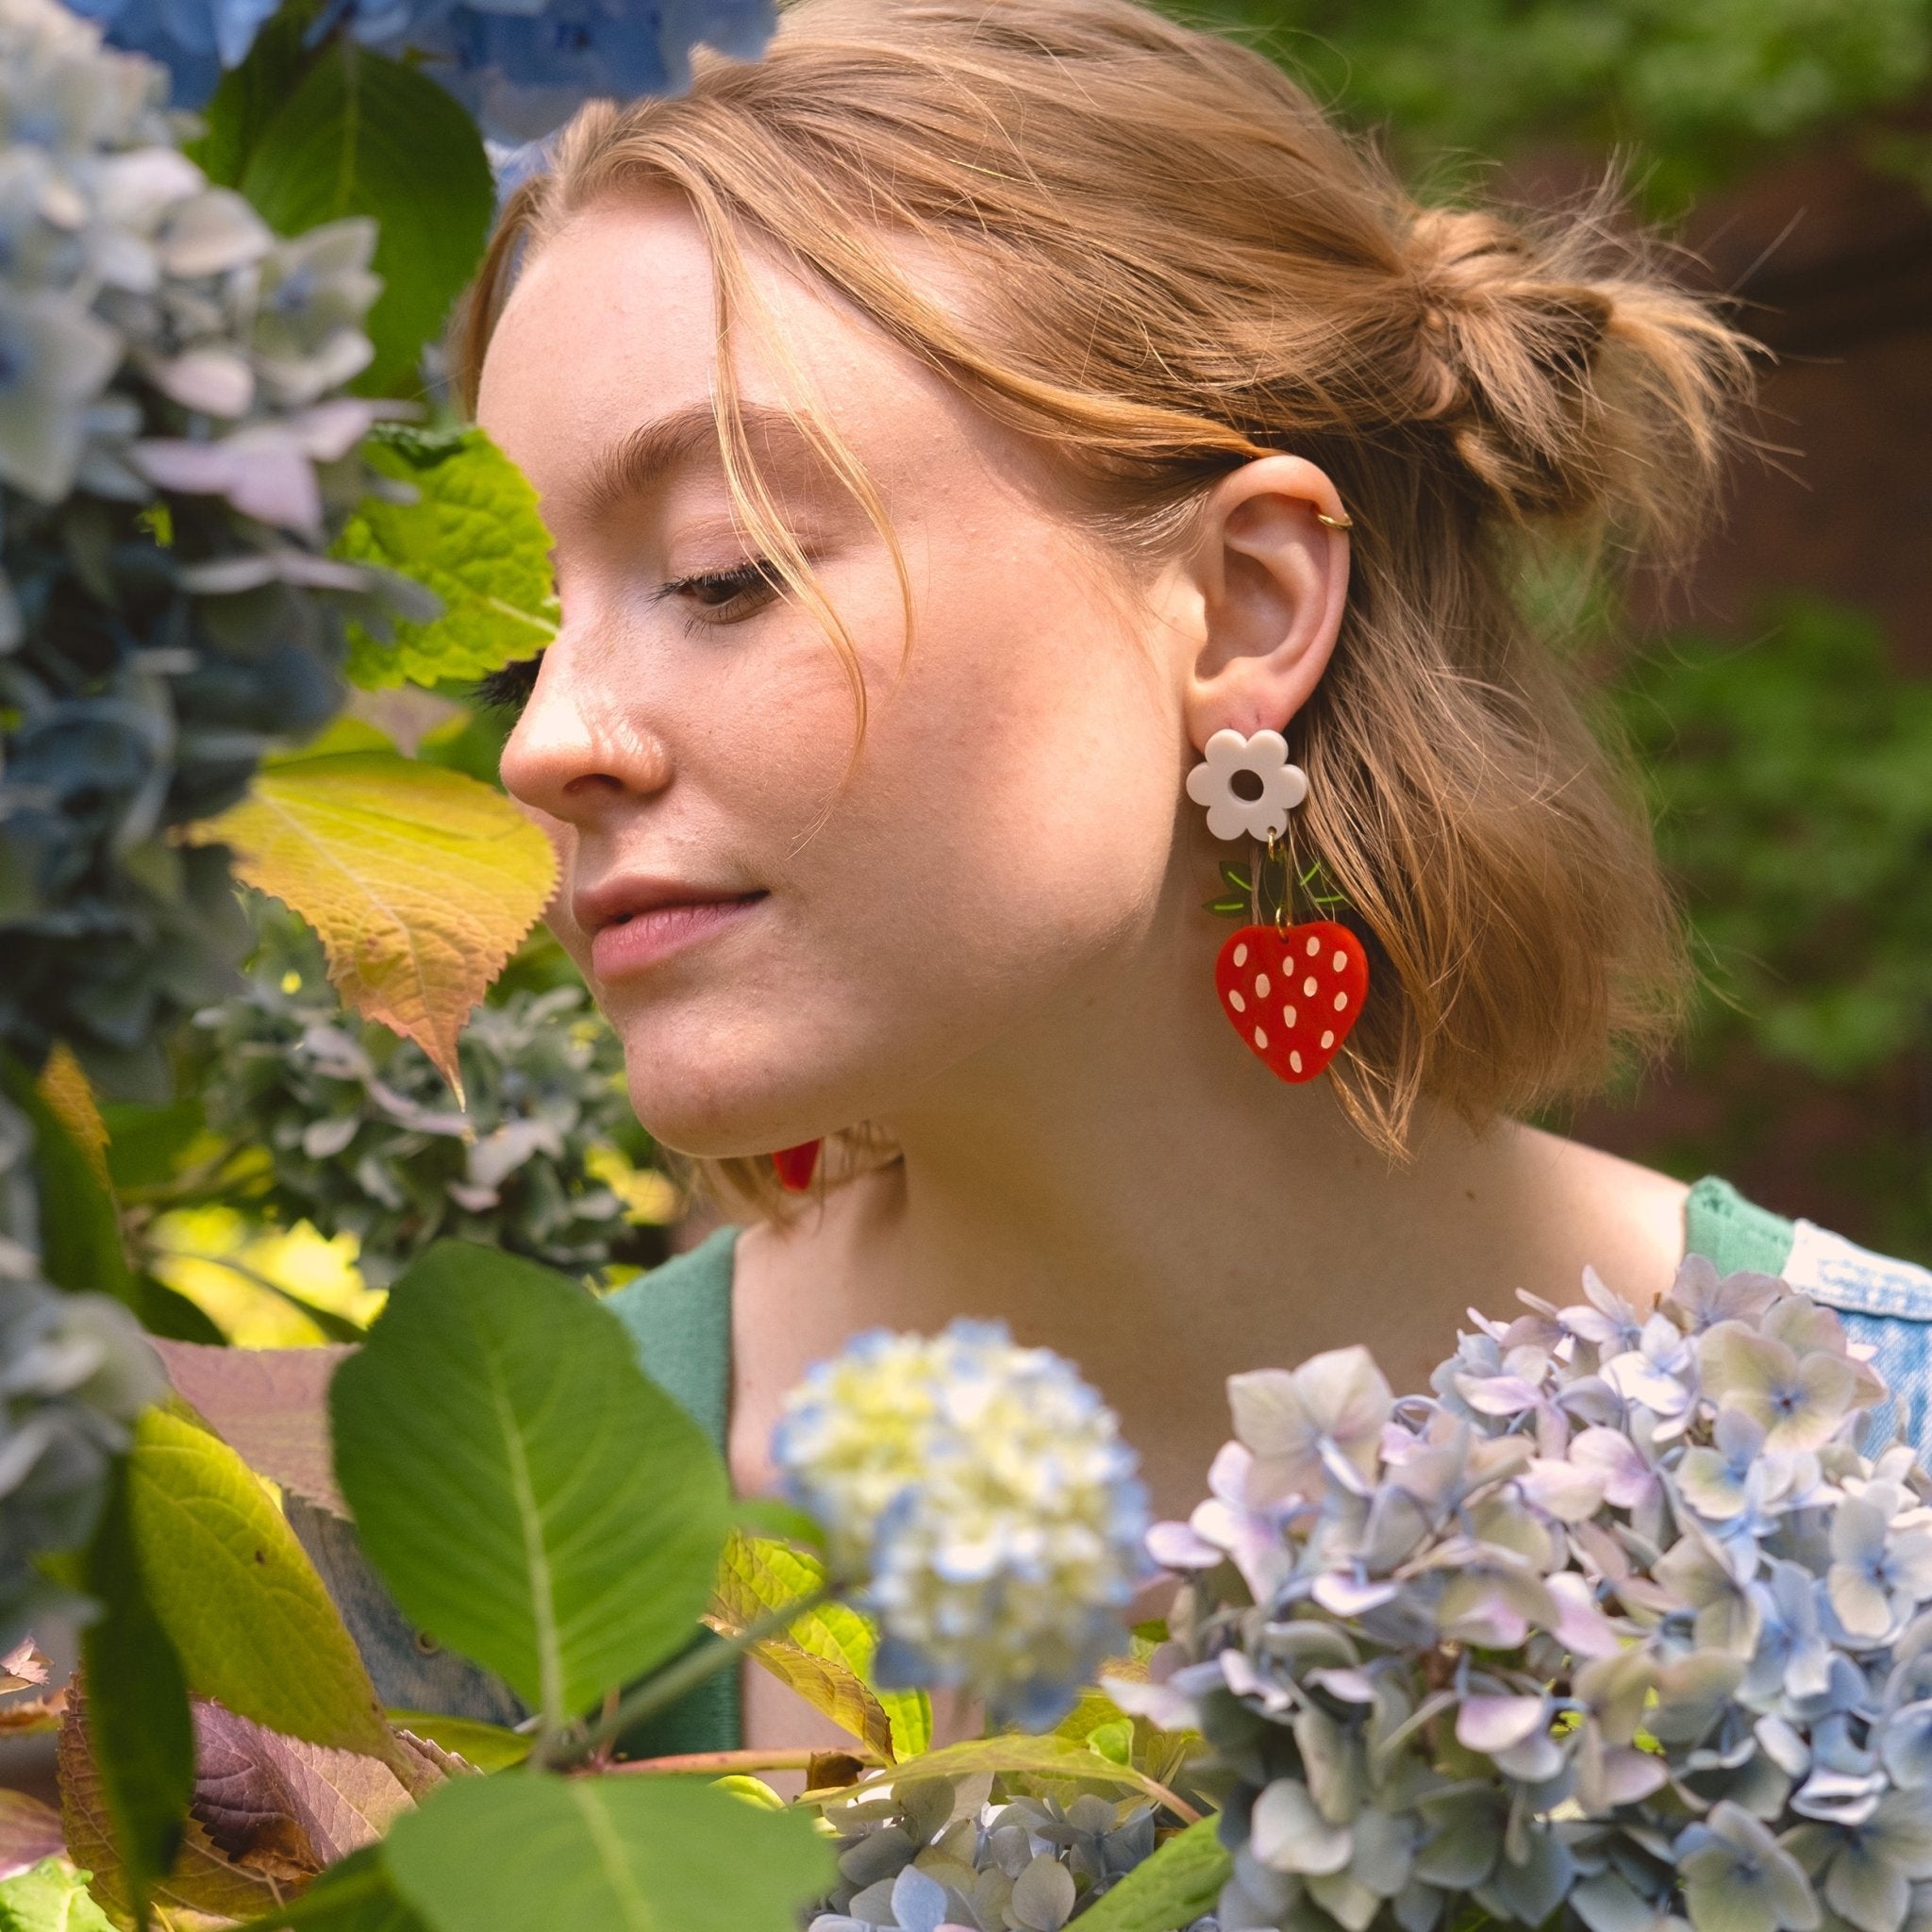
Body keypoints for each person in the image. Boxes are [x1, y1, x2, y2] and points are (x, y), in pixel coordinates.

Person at [444, 0, 1932, 1752]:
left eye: (723, 572)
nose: (543, 743)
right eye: (519, 644)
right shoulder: (474, 1544)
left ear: (1242, 607)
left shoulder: (1887, 1477)